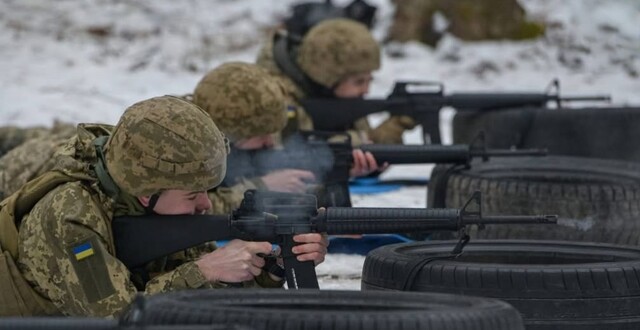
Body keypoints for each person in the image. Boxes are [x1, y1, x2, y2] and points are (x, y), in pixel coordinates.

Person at [4, 96, 327, 317]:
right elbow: (119, 318)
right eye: (192, 194)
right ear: (147, 193)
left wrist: (274, 266)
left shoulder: (148, 208)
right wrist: (204, 270)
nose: (204, 204)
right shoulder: (70, 216)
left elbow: (203, 299)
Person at [191, 62, 381, 211]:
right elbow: (194, 209)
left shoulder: (235, 145)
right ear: (228, 133)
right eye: (261, 135)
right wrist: (261, 187)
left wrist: (337, 171)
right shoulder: (184, 145)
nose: (270, 142)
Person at [256, 18, 417, 145]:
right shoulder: (274, 96)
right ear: (328, 78)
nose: (366, 90)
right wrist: (362, 140)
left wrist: (393, 129)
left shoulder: (341, 100)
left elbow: (367, 154)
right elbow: (296, 153)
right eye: (359, 82)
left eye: (369, 80)